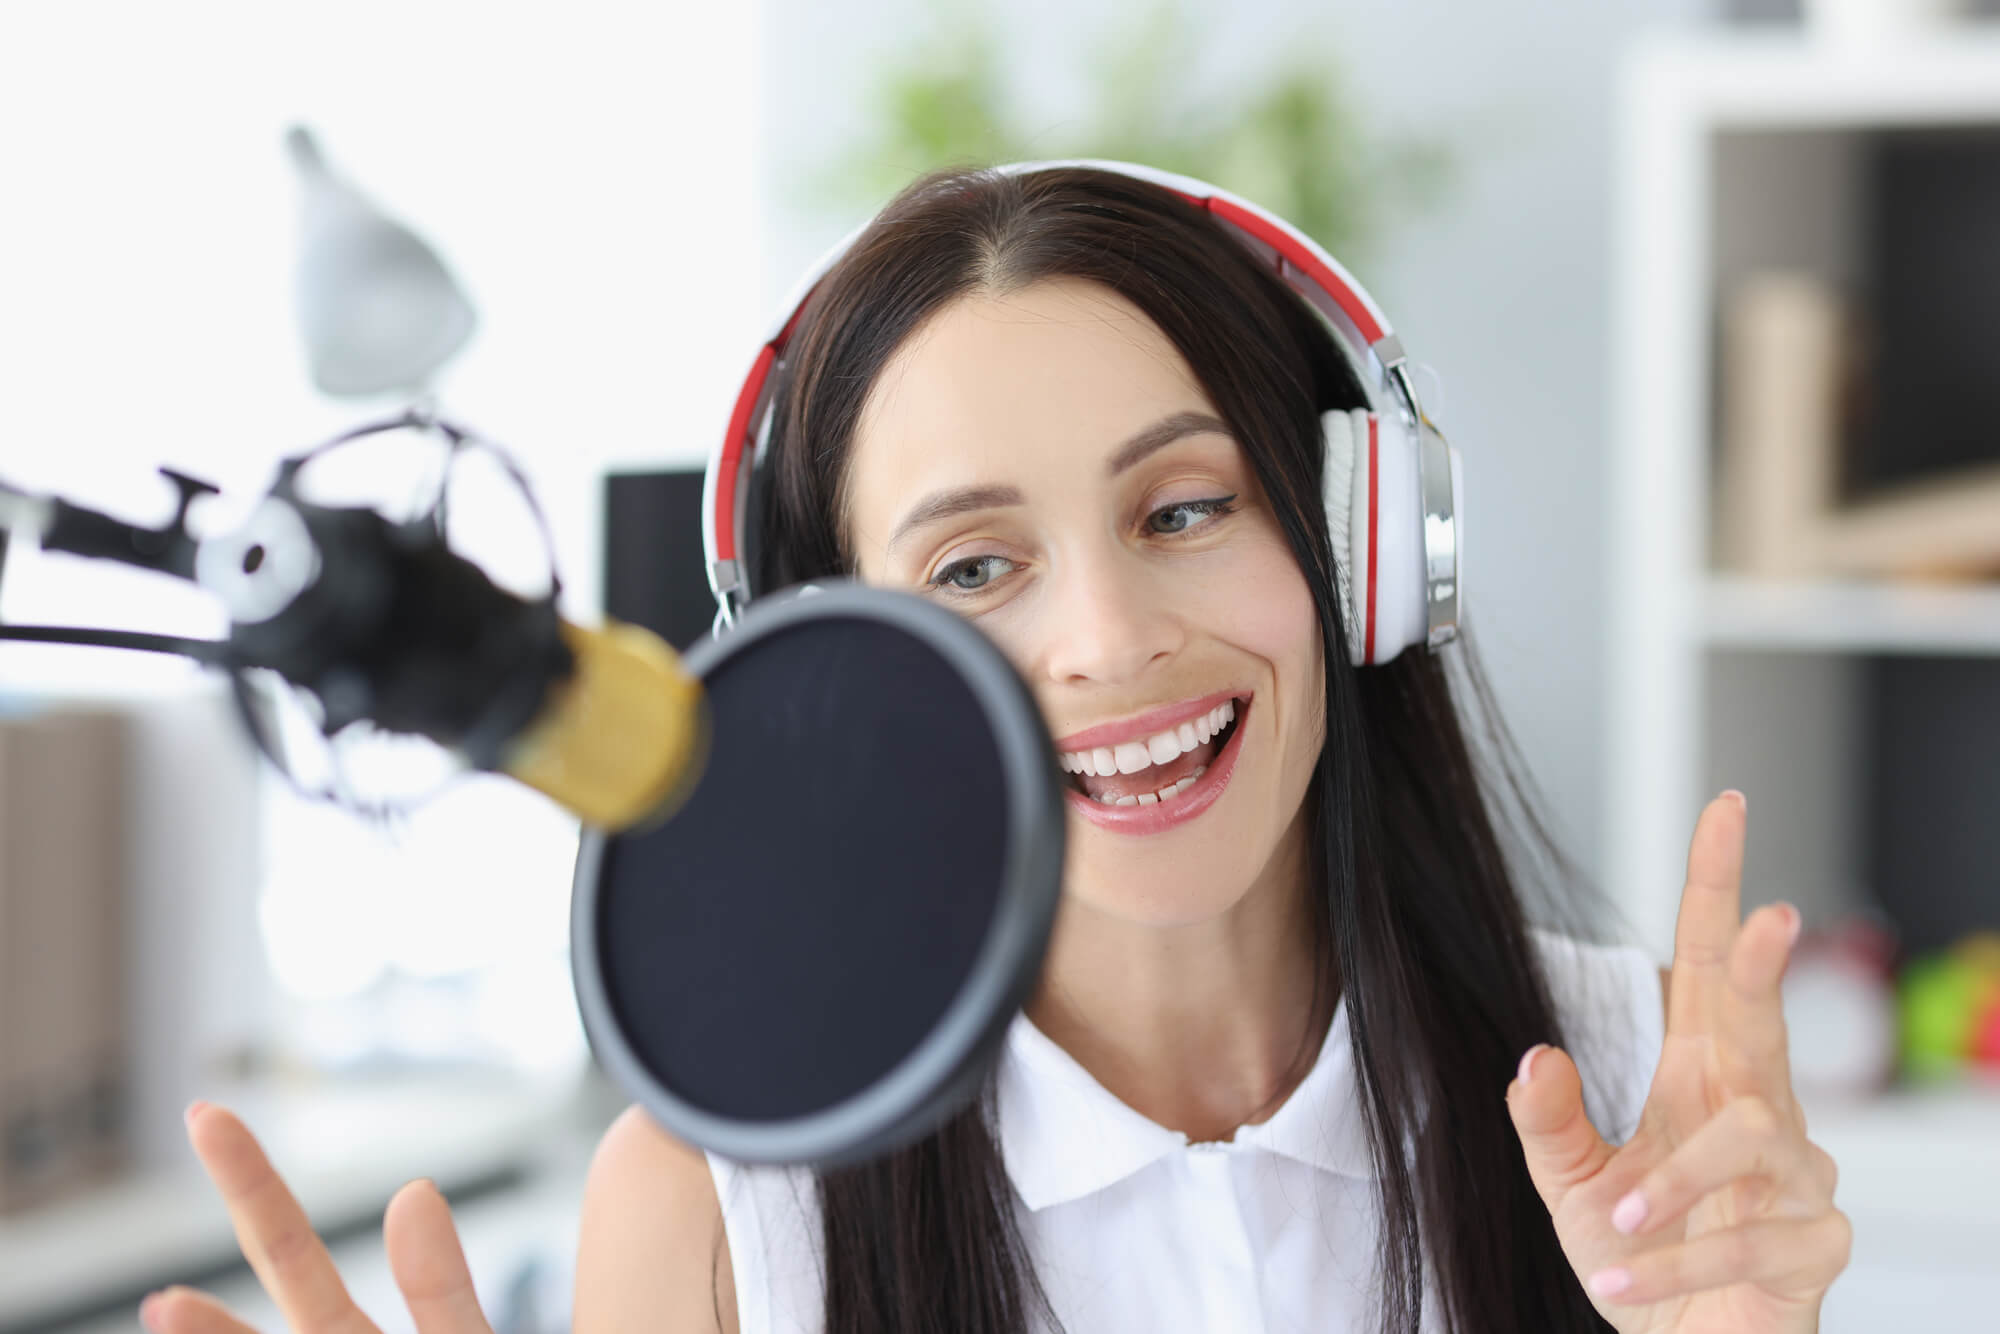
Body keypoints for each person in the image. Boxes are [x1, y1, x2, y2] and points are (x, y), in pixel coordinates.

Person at [139, 164, 1849, 1334]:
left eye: (1187, 507)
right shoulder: (718, 1215)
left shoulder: (1652, 1090)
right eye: (973, 569)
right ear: (836, 666)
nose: (1105, 640)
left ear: (1365, 547)